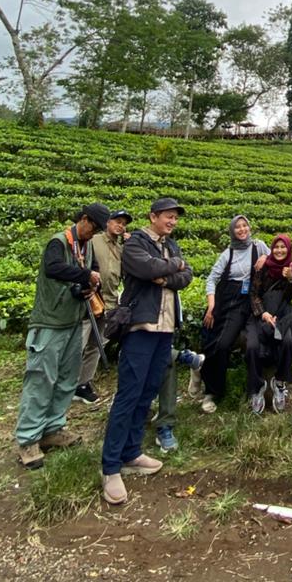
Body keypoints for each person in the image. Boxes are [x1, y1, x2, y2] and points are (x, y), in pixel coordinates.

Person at [101, 197, 194, 506]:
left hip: (165, 329)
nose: (172, 222)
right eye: (168, 217)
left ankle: (131, 453)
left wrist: (167, 273)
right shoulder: (136, 243)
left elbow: (186, 276)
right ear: (153, 216)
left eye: (175, 218)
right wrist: (171, 268)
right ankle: (110, 467)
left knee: (147, 392)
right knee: (128, 394)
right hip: (141, 328)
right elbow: (144, 267)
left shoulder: (171, 245)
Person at [14, 203, 110, 469]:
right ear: (84, 219)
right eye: (95, 227)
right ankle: (28, 439)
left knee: (67, 378)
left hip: (73, 321)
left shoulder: (87, 246)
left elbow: (86, 275)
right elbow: (53, 268)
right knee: (41, 379)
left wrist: (86, 287)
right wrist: (85, 275)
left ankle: (53, 429)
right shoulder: (58, 242)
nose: (95, 234)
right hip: (49, 323)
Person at [198, 216, 269, 413]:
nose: (241, 229)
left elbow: (278, 262)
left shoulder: (259, 246)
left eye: (244, 225)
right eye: (237, 227)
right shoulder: (228, 252)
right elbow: (212, 279)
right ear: (232, 231)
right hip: (222, 300)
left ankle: (213, 390)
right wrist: (211, 306)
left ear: (249, 227)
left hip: (241, 302)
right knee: (208, 337)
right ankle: (201, 373)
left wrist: (266, 258)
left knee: (222, 343)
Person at [75, 208, 131, 405]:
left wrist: (131, 244)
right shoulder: (94, 240)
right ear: (107, 222)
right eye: (117, 221)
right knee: (78, 343)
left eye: (124, 223)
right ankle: (64, 382)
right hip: (90, 300)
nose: (120, 225)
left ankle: (83, 383)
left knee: (98, 344)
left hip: (110, 302)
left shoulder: (122, 247)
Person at [246, 234, 292, 415]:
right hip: (261, 314)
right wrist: (263, 313)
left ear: (288, 249)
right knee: (252, 346)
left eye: (283, 247)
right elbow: (254, 294)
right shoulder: (263, 267)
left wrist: (291, 279)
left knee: (287, 342)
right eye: (276, 247)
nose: (279, 250)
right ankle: (257, 386)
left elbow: (290, 296)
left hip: (282, 314)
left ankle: (279, 382)